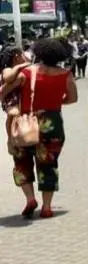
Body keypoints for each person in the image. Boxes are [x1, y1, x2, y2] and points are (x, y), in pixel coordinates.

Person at [8, 37, 77, 218]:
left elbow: (6, 90)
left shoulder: (27, 72)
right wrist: (55, 102)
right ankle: (47, 207)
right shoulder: (66, 74)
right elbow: (72, 99)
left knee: (22, 161)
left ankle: (30, 199)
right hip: (53, 124)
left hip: (26, 123)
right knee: (48, 164)